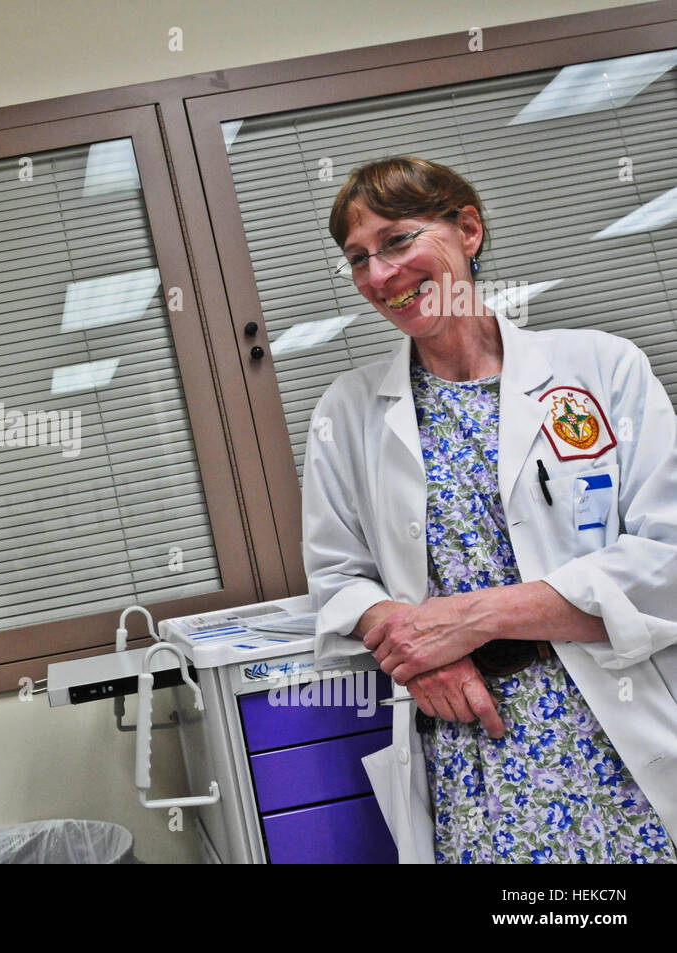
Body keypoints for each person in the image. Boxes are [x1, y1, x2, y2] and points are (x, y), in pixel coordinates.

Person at [303, 155, 677, 863]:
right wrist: (413, 648)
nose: (379, 275)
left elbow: (668, 556)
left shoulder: (603, 368)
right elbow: (339, 575)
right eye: (358, 258)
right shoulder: (348, 411)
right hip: (477, 741)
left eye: (397, 241)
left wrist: (468, 619)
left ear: (467, 230)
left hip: (622, 722)